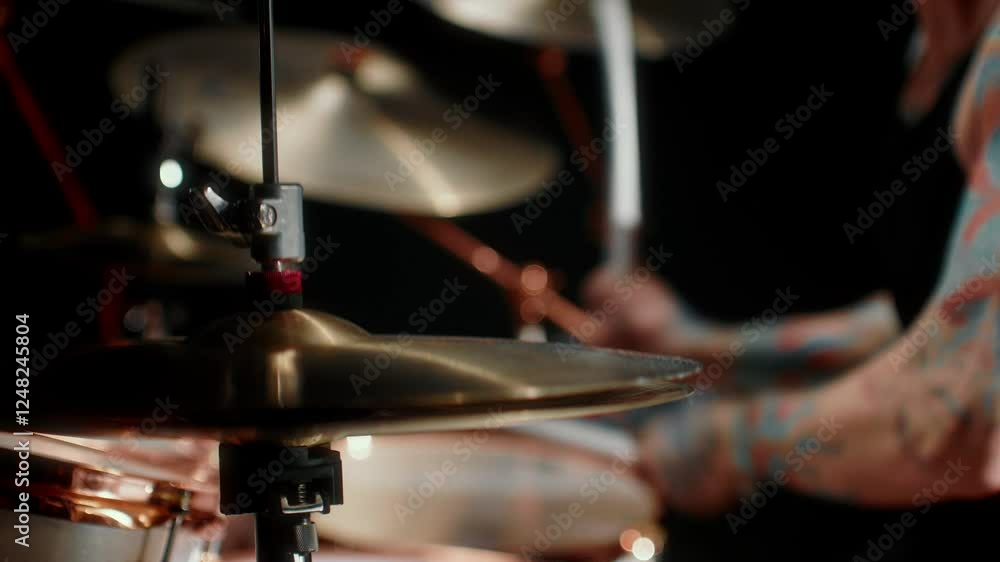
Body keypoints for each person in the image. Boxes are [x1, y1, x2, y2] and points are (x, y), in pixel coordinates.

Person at [584, 1, 1000, 560]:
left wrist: (733, 442)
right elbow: (931, 312)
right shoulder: (936, 37)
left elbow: (958, 420)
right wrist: (696, 347)